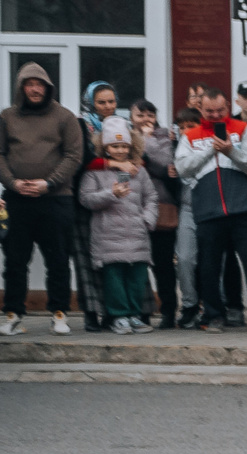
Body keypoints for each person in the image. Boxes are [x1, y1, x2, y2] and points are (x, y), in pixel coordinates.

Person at [1, 60, 87, 335]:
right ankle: (12, 313)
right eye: (29, 84)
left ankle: (59, 313)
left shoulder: (65, 117)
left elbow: (74, 156)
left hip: (55, 199)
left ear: (48, 87)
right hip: (17, 200)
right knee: (15, 261)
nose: (35, 89)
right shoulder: (7, 117)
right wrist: (13, 184)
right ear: (21, 87)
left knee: (58, 260)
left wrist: (48, 183)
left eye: (39, 84)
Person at [176, 90, 247, 335]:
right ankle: (214, 315)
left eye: (220, 110)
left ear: (227, 106)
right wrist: (210, 150)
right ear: (201, 110)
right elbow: (182, 168)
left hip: (245, 207)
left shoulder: (243, 128)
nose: (215, 115)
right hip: (208, 209)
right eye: (209, 111)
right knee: (209, 266)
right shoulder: (191, 135)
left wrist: (232, 151)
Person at [76, 117, 155, 332]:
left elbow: (151, 197)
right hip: (107, 235)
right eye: (115, 145)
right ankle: (118, 316)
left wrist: (147, 219)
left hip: (137, 234)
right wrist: (111, 193)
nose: (120, 150)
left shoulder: (139, 171)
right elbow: (86, 199)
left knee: (137, 278)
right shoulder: (94, 172)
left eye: (124, 146)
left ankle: (135, 314)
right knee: (114, 279)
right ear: (105, 147)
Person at [131, 102, 181, 327]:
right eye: (140, 115)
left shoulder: (164, 137)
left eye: (150, 114)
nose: (145, 119)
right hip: (132, 209)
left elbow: (165, 166)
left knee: (163, 265)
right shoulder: (125, 136)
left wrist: (146, 140)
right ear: (131, 116)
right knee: (137, 264)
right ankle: (142, 312)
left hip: (162, 208)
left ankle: (169, 311)